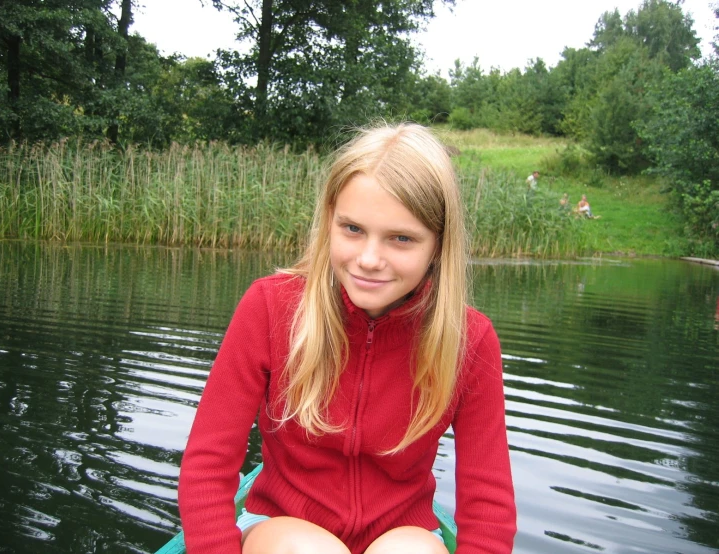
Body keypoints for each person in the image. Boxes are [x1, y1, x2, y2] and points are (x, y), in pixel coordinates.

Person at [178, 123, 517, 554]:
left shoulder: (470, 341)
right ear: (330, 222)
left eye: (401, 238)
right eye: (352, 229)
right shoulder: (269, 308)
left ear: (438, 246)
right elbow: (207, 466)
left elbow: (487, 502)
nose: (369, 260)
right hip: (282, 526)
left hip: (401, 535)